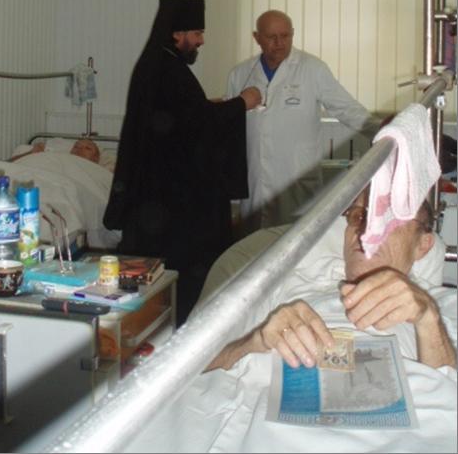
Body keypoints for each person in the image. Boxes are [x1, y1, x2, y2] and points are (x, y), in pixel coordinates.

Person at [125, 191, 457, 454]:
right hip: (275, 430)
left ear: (423, 244)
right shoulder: (282, 283)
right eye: (358, 216)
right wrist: (256, 340)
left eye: (388, 218)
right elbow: (192, 367)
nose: (367, 229)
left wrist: (427, 317)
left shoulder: (441, 306)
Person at [103, 0, 263, 325]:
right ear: (177, 34)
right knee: (184, 268)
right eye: (197, 33)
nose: (201, 41)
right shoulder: (167, 69)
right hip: (172, 201)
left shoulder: (160, 65)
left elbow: (183, 117)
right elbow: (197, 123)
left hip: (159, 191)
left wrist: (212, 106)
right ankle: (183, 326)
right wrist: (242, 103)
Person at [227, 9, 380, 232]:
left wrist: (383, 130)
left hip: (297, 179)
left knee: (294, 241)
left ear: (293, 34)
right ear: (256, 37)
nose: (279, 43)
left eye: (285, 36)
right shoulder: (240, 74)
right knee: (254, 245)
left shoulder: (312, 68)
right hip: (255, 182)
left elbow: (346, 108)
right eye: (271, 37)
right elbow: (230, 129)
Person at [9, 138, 102, 164]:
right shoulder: (55, 157)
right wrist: (30, 153)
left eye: (87, 148)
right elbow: (8, 164)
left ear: (96, 159)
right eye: (76, 146)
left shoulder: (96, 172)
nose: (80, 149)